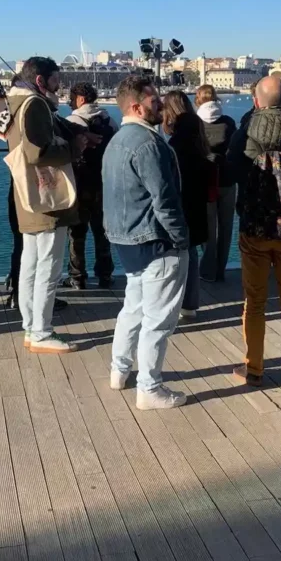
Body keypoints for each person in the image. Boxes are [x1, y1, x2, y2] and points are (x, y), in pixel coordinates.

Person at [103, 75, 189, 410]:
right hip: (155, 240)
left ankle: (119, 370)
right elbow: (164, 201)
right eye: (154, 100)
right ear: (137, 107)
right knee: (158, 320)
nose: (161, 104)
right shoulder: (149, 145)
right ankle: (149, 388)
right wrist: (181, 239)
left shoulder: (115, 141)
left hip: (125, 239)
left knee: (133, 309)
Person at [229, 75, 281, 387]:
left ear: (256, 101)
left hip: (254, 226)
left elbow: (232, 170)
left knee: (255, 302)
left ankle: (254, 368)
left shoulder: (244, 133)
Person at [7, 58, 86, 354]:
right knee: (48, 267)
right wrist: (74, 148)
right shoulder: (36, 105)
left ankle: (31, 326)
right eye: (55, 79)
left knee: (31, 262)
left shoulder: (15, 103)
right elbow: (38, 152)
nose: (59, 85)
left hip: (27, 196)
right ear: (40, 81)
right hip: (47, 197)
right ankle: (41, 331)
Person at [62, 82, 117, 289]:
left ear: (80, 99)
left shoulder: (71, 122)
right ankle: (105, 275)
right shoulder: (110, 121)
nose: (69, 102)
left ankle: (77, 277)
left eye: (71, 98)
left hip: (79, 184)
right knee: (102, 232)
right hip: (104, 184)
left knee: (77, 233)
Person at [162, 90, 212, 319]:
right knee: (191, 253)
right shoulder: (197, 135)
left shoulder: (175, 144)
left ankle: (176, 302)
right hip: (198, 201)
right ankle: (190, 304)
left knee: (178, 254)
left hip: (181, 203)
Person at [195, 84, 237, 282]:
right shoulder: (228, 122)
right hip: (227, 179)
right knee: (226, 227)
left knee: (208, 229)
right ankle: (220, 270)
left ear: (198, 100)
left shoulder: (195, 124)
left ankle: (207, 270)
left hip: (205, 181)